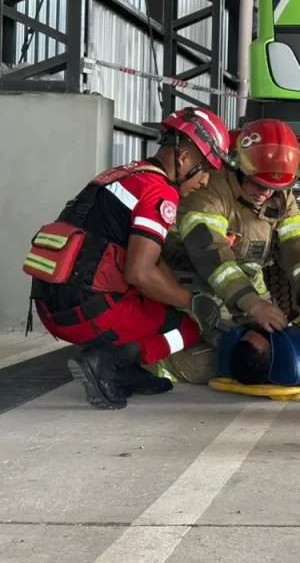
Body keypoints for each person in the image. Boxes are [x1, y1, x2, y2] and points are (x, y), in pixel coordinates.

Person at [23, 107, 231, 410]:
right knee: (187, 327)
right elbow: (140, 273)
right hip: (88, 311)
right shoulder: (160, 192)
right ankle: (109, 361)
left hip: (51, 304)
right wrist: (192, 302)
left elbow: (153, 261)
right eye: (206, 169)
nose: (205, 182)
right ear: (185, 158)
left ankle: (127, 371)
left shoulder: (123, 174)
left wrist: (180, 297)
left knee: (167, 306)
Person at [156, 119, 300, 385]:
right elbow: (213, 257)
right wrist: (253, 305)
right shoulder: (209, 190)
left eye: (274, 188)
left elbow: (298, 245)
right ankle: (157, 361)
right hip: (196, 289)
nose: (265, 194)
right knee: (222, 358)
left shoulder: (277, 190)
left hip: (249, 289)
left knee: (270, 351)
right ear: (239, 167)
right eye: (258, 184)